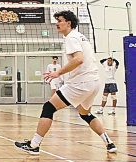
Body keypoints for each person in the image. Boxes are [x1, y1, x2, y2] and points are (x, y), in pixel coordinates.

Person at [15, 10, 117, 154]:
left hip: (81, 83)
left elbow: (79, 59)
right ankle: (109, 143)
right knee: (85, 114)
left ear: (68, 23)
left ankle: (34, 145)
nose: (57, 24)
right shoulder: (81, 37)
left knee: (48, 108)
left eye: (60, 21)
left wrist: (58, 73)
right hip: (94, 82)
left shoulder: (71, 37)